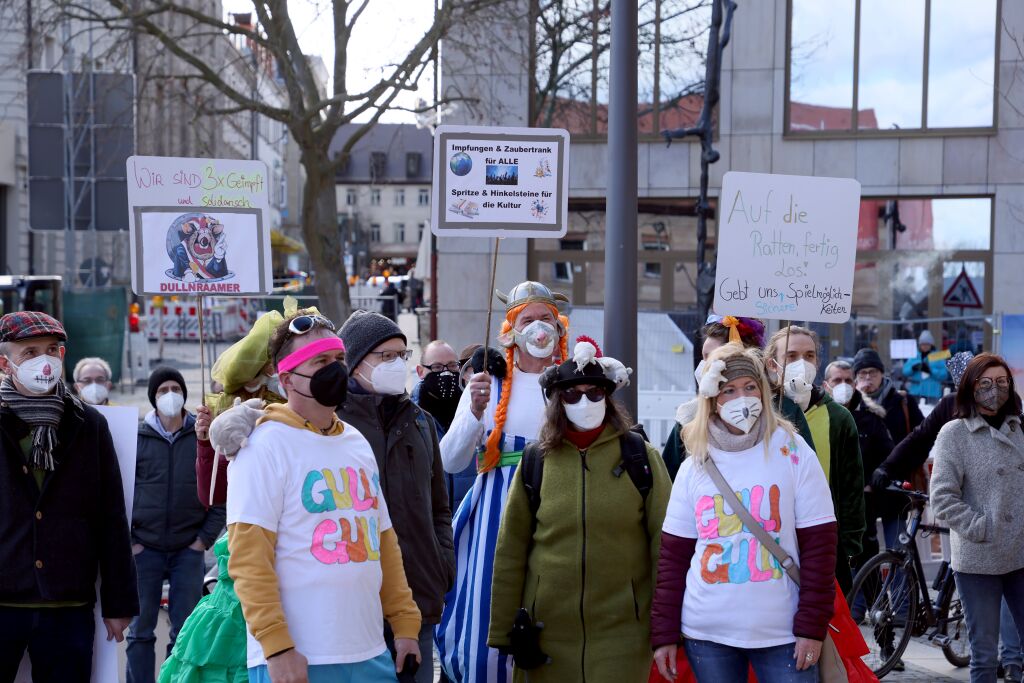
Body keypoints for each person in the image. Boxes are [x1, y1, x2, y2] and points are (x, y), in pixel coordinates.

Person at [227, 312, 422, 681]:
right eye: (320, 362)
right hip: (299, 658)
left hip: (370, 654)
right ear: (287, 379)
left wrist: (405, 623)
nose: (335, 369)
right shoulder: (262, 446)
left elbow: (383, 543)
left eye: (339, 359)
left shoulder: (356, 442)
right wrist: (278, 647)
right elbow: (249, 559)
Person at [651, 343, 837, 683]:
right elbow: (674, 557)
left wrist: (812, 626)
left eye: (750, 387)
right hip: (706, 633)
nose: (743, 398)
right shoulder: (695, 464)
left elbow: (820, 546)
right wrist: (664, 633)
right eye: (729, 390)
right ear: (712, 399)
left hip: (783, 633)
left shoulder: (793, 451)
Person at [487, 339, 671, 681]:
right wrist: (503, 632)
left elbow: (666, 546)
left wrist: (666, 629)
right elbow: (510, 549)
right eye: (572, 395)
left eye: (595, 393)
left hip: (624, 635)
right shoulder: (536, 461)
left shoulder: (640, 456)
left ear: (608, 398)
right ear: (558, 402)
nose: (584, 402)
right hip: (546, 636)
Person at [436, 281, 570, 683]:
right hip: (497, 511)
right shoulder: (487, 385)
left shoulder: (572, 385)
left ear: (559, 326)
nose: (538, 328)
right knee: (489, 596)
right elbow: (450, 459)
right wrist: (474, 412)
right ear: (511, 329)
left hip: (560, 507)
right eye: (528, 319)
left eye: (546, 318)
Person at [0, 311, 138, 680]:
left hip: (67, 603)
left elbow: (111, 516)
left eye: (51, 349)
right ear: (5, 364)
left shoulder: (88, 424)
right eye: (30, 352)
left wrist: (119, 602)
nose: (44, 361)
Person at [338, 310, 455, 683]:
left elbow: (439, 506)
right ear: (355, 362)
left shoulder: (420, 422)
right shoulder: (333, 424)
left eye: (401, 355)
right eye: (385, 356)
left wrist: (442, 564)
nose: (397, 364)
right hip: (355, 601)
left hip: (418, 593)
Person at [128, 367, 227, 683]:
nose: (170, 395)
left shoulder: (202, 435)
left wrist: (203, 540)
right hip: (145, 549)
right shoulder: (137, 438)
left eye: (175, 388)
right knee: (140, 631)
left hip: (188, 549)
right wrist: (132, 542)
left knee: (186, 632)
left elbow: (218, 491)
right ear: (152, 397)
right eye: (162, 390)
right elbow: (119, 492)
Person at [931, 353, 1024, 683]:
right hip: (978, 557)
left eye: (1001, 382)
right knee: (983, 654)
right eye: (985, 383)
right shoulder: (954, 433)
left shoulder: (1019, 428)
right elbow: (942, 498)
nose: (994, 390)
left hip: (1021, 553)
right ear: (970, 387)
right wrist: (981, 527)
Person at [766, 325, 864, 595]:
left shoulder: (839, 418)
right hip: (769, 542)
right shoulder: (761, 411)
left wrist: (849, 545)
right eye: (791, 356)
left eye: (809, 356)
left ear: (818, 362)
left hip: (822, 545)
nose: (802, 363)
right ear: (772, 363)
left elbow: (851, 488)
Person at [662, 315, 815, 480]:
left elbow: (808, 476)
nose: (705, 366)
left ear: (743, 358)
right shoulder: (690, 416)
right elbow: (669, 481)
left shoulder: (785, 410)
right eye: (704, 357)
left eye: (714, 358)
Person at [413, 339, 474, 515]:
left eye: (452, 366)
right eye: (437, 367)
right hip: (430, 521)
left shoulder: (472, 410)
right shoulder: (409, 417)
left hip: (469, 517)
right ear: (420, 371)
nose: (446, 373)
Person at [853, 347, 924, 445]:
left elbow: (923, 435)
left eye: (873, 372)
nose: (868, 377)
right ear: (856, 377)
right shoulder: (850, 403)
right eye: (863, 373)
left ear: (882, 374)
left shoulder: (903, 401)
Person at [901, 330, 949, 404]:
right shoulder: (914, 355)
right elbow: (905, 371)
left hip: (932, 393)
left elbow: (944, 374)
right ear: (919, 344)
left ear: (931, 344)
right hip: (915, 392)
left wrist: (931, 371)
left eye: (927, 344)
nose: (925, 346)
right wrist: (912, 368)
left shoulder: (939, 355)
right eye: (923, 344)